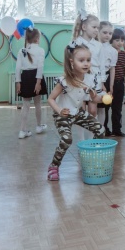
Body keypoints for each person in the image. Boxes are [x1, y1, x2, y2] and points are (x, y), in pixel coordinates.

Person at [46, 41, 105, 181]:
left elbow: (95, 99)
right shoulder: (64, 81)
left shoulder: (90, 79)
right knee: (67, 139)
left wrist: (100, 98)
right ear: (72, 62)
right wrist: (59, 110)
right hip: (63, 114)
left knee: (100, 130)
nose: (86, 63)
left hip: (78, 113)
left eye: (88, 60)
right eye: (81, 60)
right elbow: (50, 99)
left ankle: (91, 159)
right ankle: (53, 166)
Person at [15, 27, 48, 139]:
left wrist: (18, 82)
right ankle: (38, 126)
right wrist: (38, 83)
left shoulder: (21, 50)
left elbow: (17, 68)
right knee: (38, 103)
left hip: (25, 77)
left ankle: (22, 130)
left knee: (26, 105)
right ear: (37, 38)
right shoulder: (40, 50)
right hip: (36, 77)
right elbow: (40, 67)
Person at [72, 10, 102, 118]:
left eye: (98, 28)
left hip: (95, 78)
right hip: (81, 78)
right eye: (94, 27)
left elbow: (101, 64)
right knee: (81, 110)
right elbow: (71, 62)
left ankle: (93, 128)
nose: (96, 30)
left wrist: (102, 81)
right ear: (84, 27)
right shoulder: (75, 43)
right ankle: (83, 130)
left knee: (93, 110)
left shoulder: (99, 45)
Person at [96, 21, 117, 136]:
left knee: (103, 107)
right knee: (92, 107)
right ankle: (93, 130)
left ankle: (101, 130)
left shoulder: (113, 51)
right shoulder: (94, 46)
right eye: (104, 32)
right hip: (94, 78)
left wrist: (111, 85)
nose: (107, 35)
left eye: (110, 33)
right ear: (98, 31)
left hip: (107, 79)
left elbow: (112, 68)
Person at [109, 28, 125, 137]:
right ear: (111, 40)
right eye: (117, 40)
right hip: (108, 84)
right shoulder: (108, 52)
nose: (120, 43)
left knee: (117, 109)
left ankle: (116, 129)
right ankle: (105, 129)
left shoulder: (124, 54)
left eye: (122, 40)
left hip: (120, 84)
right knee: (105, 108)